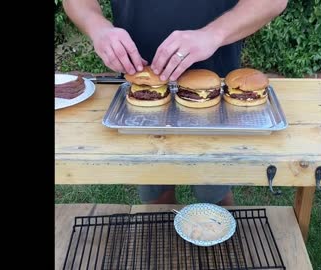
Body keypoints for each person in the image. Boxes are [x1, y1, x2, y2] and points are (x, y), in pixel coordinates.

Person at [63, 0, 288, 205]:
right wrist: (98, 27)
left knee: (214, 195)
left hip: (215, 92)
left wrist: (213, 34)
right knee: (156, 195)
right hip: (141, 86)